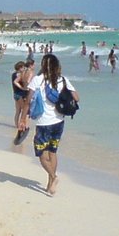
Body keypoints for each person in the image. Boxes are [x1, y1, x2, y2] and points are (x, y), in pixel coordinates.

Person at [27, 53, 79, 196]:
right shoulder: (63, 80)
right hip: (59, 122)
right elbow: (77, 97)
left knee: (42, 156)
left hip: (44, 123)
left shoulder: (38, 80)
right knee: (53, 152)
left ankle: (54, 178)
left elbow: (28, 99)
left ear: (43, 65)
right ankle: (50, 185)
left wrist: (24, 119)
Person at [11, 60, 29, 135]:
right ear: (20, 67)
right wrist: (22, 88)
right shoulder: (19, 75)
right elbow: (16, 82)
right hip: (20, 94)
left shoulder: (13, 74)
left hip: (15, 94)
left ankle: (16, 125)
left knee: (18, 111)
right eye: (23, 67)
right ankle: (23, 125)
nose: (24, 69)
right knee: (25, 111)